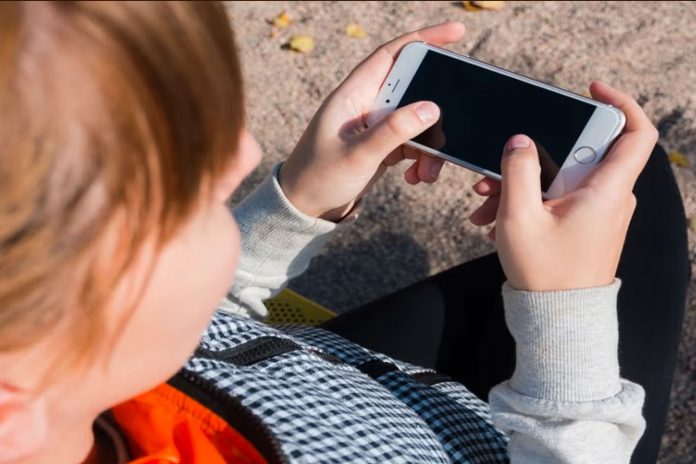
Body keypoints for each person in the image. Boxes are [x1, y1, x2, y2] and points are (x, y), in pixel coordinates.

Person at [0, 2, 687, 463]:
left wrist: (299, 200)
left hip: (340, 389)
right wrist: (567, 322)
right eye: (187, 194)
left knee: (606, 175)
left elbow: (190, 336)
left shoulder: (71, 367)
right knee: (630, 185)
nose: (244, 151)